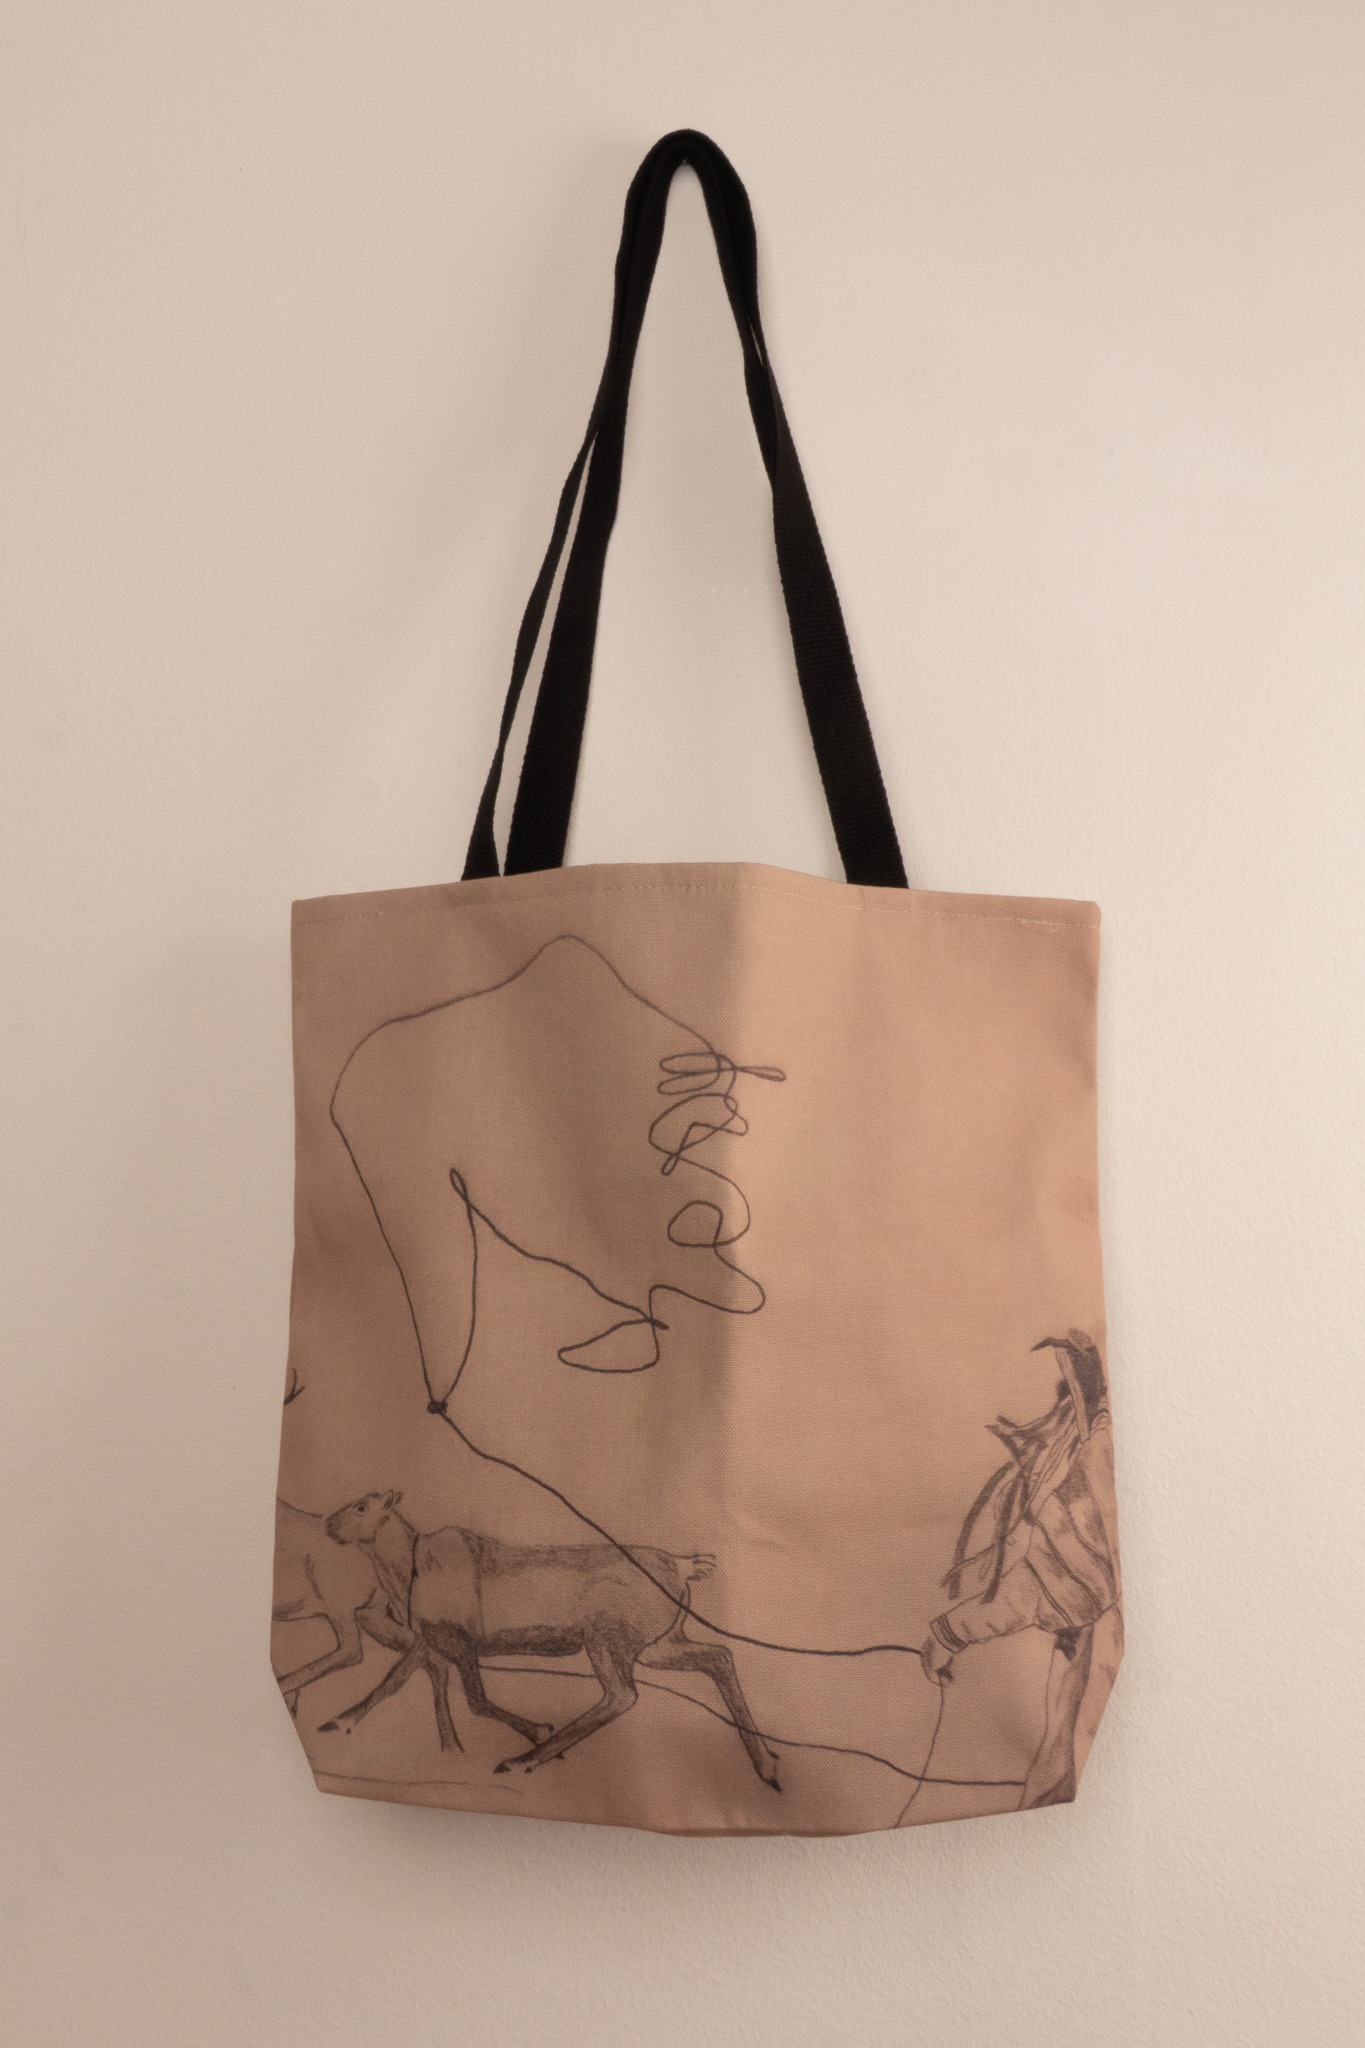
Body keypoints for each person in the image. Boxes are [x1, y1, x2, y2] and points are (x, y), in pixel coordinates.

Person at [919, 1330, 1123, 1808]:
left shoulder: (1092, 1457)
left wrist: (950, 1633)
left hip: (1095, 1641)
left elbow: (1049, 1585)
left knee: (1060, 1750)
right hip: (1090, 1640)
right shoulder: (1093, 1453)